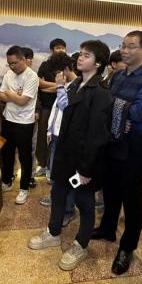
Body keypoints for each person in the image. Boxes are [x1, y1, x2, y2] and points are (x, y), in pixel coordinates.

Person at [28, 40, 112, 271]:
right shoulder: (75, 85)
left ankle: (81, 244)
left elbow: (97, 136)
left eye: (86, 55)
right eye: (81, 54)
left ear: (98, 63)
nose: (80, 58)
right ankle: (53, 232)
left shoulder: (101, 93)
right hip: (65, 155)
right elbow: (64, 113)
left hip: (83, 161)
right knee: (58, 194)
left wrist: (85, 170)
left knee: (84, 202)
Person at [92, 30, 142, 275]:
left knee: (131, 197)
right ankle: (107, 228)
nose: (125, 50)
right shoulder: (117, 76)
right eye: (123, 45)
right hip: (112, 140)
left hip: (133, 144)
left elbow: (141, 113)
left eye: (131, 46)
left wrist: (119, 111)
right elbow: (105, 104)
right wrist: (121, 114)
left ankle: (127, 247)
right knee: (110, 189)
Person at [38, 52, 78, 228]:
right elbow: (56, 110)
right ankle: (57, 199)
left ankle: (69, 210)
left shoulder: (76, 86)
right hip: (56, 135)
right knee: (56, 175)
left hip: (66, 138)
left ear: (65, 69)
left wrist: (60, 86)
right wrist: (50, 131)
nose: (55, 77)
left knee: (66, 177)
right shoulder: (67, 85)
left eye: (56, 73)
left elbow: (65, 108)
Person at [0, 45, 39, 204]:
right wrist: (15, 95)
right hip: (8, 118)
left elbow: (23, 102)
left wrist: (9, 93)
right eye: (9, 63)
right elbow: (0, 95)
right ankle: (7, 180)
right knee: (7, 153)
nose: (11, 66)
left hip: (24, 122)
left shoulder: (32, 76)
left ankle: (24, 188)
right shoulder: (9, 74)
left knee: (24, 156)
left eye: (14, 63)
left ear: (23, 60)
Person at [34, 39, 68, 177]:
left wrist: (49, 87)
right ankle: (42, 165)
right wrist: (59, 86)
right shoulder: (45, 65)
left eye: (63, 47)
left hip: (63, 109)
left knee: (57, 139)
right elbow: (38, 83)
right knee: (43, 137)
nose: (61, 50)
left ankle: (52, 167)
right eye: (58, 47)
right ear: (52, 50)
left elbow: (69, 87)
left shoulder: (68, 66)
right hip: (47, 107)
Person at [21, 46, 39, 189]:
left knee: (31, 147)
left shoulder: (34, 76)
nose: (30, 61)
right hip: (15, 118)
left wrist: (37, 110)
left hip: (32, 117)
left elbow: (38, 95)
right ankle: (13, 174)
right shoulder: (10, 75)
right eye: (27, 58)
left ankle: (30, 175)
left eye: (31, 58)